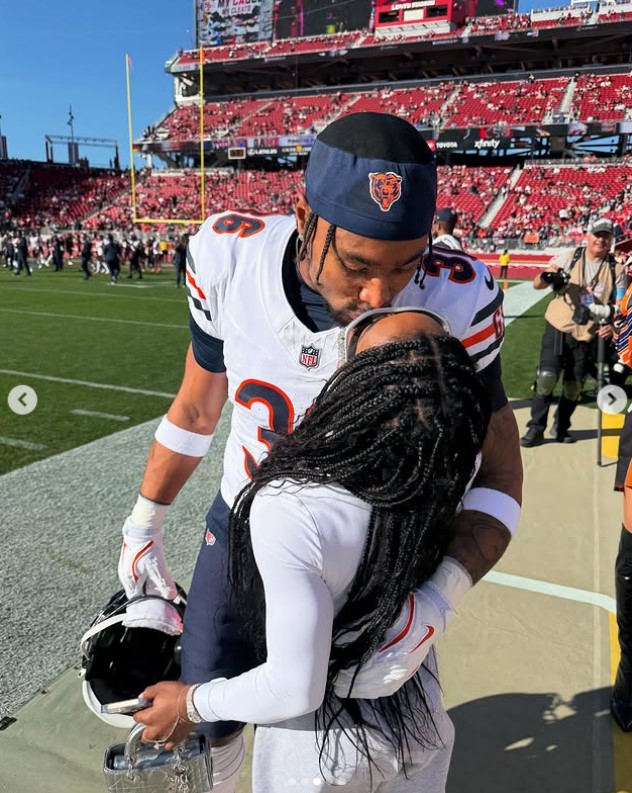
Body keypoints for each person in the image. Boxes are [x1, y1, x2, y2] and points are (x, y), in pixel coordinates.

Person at [116, 112, 522, 791]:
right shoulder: (229, 256)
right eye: (358, 264)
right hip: (245, 522)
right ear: (303, 215)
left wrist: (437, 600)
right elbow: (196, 406)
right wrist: (142, 524)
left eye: (405, 267)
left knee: (359, 740)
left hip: (382, 547)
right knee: (210, 709)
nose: (378, 294)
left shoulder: (458, 292)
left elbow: (501, 471)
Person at [134, 314, 492, 791]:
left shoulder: (293, 504)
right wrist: (435, 603)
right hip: (419, 718)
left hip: (323, 750)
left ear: (362, 386)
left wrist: (190, 703)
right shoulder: (449, 459)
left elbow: (294, 686)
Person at [520, 217, 627, 447]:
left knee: (573, 385)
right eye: (598, 234)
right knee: (546, 378)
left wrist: (611, 324)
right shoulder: (571, 256)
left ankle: (561, 426)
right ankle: (536, 428)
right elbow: (538, 283)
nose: (601, 239)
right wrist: (548, 277)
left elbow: (621, 307)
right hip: (559, 326)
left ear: (611, 240)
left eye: (606, 236)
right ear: (588, 235)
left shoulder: (617, 270)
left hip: (589, 332)